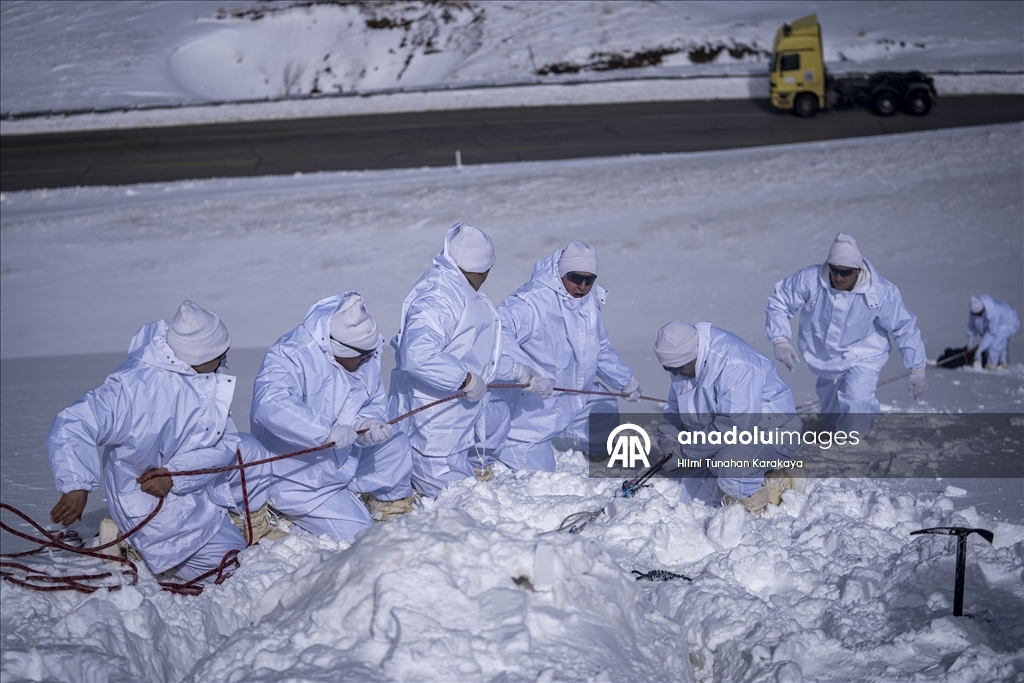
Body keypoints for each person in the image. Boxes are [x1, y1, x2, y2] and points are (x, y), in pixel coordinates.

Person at [47, 301, 273, 584]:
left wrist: (177, 474)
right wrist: (76, 485)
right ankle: (136, 547)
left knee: (250, 451)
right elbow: (74, 423)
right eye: (220, 354)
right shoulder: (132, 389)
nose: (224, 360)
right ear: (201, 355)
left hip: (188, 482)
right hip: (150, 498)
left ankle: (243, 519)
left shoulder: (202, 377)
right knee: (234, 572)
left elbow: (224, 441)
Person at [250, 293, 415, 542]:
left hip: (343, 458)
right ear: (337, 349)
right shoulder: (291, 354)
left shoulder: (363, 352)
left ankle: (387, 508)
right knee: (362, 537)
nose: (368, 361)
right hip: (301, 479)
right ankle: (287, 514)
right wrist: (325, 431)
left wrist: (366, 422)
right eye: (362, 357)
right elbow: (270, 403)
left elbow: (370, 400)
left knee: (397, 445)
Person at [387, 223, 522, 497]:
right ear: (486, 269)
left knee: (498, 415)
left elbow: (475, 356)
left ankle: (469, 470)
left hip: (455, 427)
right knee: (462, 509)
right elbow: (418, 354)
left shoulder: (462, 291)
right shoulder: (439, 295)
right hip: (432, 437)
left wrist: (521, 373)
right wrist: (465, 379)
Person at [493, 241, 642, 470]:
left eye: (589, 280)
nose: (582, 286)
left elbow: (599, 348)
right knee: (541, 482)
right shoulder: (532, 301)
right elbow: (498, 330)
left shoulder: (588, 302)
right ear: (561, 273)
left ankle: (600, 460)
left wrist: (624, 381)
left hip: (575, 397)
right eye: (575, 277)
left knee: (602, 403)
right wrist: (522, 371)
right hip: (533, 413)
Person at [765, 233, 927, 432]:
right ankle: (836, 432)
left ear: (858, 270)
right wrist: (780, 340)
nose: (838, 277)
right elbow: (780, 301)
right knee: (831, 423)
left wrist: (917, 368)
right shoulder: (810, 279)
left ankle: (854, 444)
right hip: (824, 357)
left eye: (846, 272)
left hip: (864, 353)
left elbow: (904, 327)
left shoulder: (880, 292)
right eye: (834, 270)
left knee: (857, 398)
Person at [654, 321, 803, 515]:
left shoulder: (735, 364)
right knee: (691, 485)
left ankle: (777, 484)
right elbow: (675, 409)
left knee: (731, 469)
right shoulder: (683, 365)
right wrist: (669, 439)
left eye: (678, 368)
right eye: (668, 369)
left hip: (771, 430)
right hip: (725, 433)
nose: (674, 374)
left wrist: (685, 451)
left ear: (694, 356)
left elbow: (734, 426)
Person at [967, 294, 1019, 370]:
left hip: (1009, 323)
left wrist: (980, 349)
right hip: (998, 324)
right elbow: (971, 326)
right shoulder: (974, 312)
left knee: (994, 344)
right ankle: (1003, 363)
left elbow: (991, 333)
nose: (978, 315)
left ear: (983, 309)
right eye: (976, 314)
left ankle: (992, 366)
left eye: (980, 313)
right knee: (994, 342)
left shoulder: (994, 312)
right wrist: (970, 345)